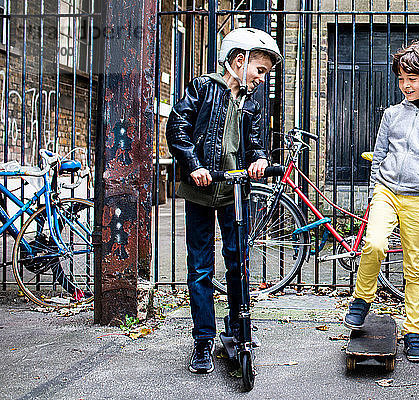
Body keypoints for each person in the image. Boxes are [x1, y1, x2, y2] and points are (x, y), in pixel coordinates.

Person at [165, 27, 281, 374]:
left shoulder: (252, 105)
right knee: (200, 268)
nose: (262, 78)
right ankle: (203, 340)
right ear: (238, 60)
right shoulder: (203, 87)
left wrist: (259, 159)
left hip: (235, 191)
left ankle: (237, 326)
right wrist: (193, 164)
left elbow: (257, 143)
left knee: (237, 262)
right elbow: (177, 128)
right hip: (202, 188)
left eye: (266, 73)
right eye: (259, 70)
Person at [343, 42, 419, 362]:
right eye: (401, 79)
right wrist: (374, 192)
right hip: (386, 191)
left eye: (412, 78)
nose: (405, 85)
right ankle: (361, 299)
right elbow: (380, 155)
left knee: (415, 267)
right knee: (373, 243)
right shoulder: (391, 114)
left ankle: (414, 332)